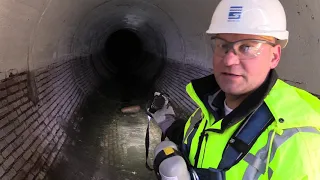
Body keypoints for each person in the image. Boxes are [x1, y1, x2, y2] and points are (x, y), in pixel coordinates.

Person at [148, 0, 320, 179]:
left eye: (247, 47)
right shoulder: (206, 109)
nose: (229, 60)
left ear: (274, 56)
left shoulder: (298, 141)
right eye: (223, 45)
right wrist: (167, 125)